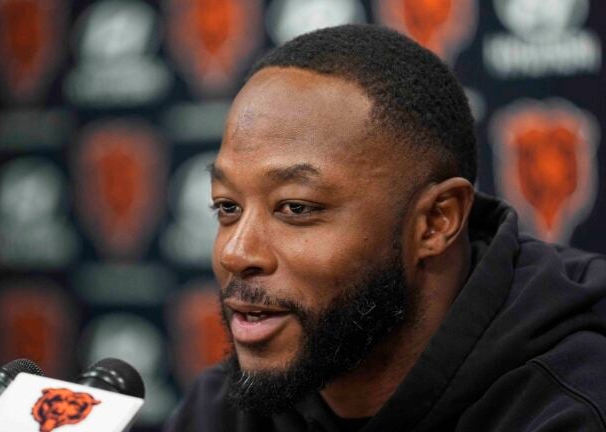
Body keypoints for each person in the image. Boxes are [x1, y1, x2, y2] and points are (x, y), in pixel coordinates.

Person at [164, 24, 606, 432]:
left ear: (435, 223)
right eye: (227, 207)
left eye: (295, 208)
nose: (235, 254)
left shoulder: (569, 405)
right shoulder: (224, 406)